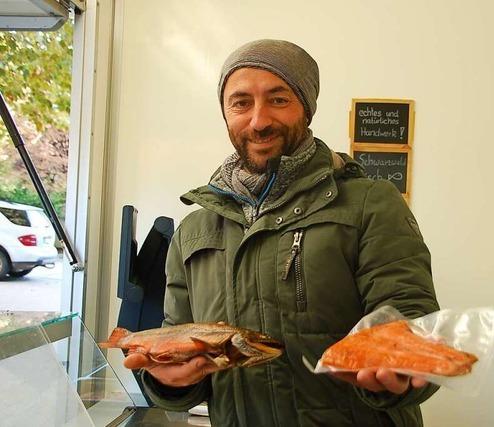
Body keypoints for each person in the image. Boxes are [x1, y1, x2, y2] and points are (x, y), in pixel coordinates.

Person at [124, 39, 440, 426]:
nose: (258, 121)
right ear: (226, 113)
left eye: (278, 99)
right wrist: (170, 383)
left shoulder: (369, 204)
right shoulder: (194, 230)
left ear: (305, 108)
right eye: (241, 103)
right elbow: (182, 344)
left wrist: (400, 367)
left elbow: (411, 317)